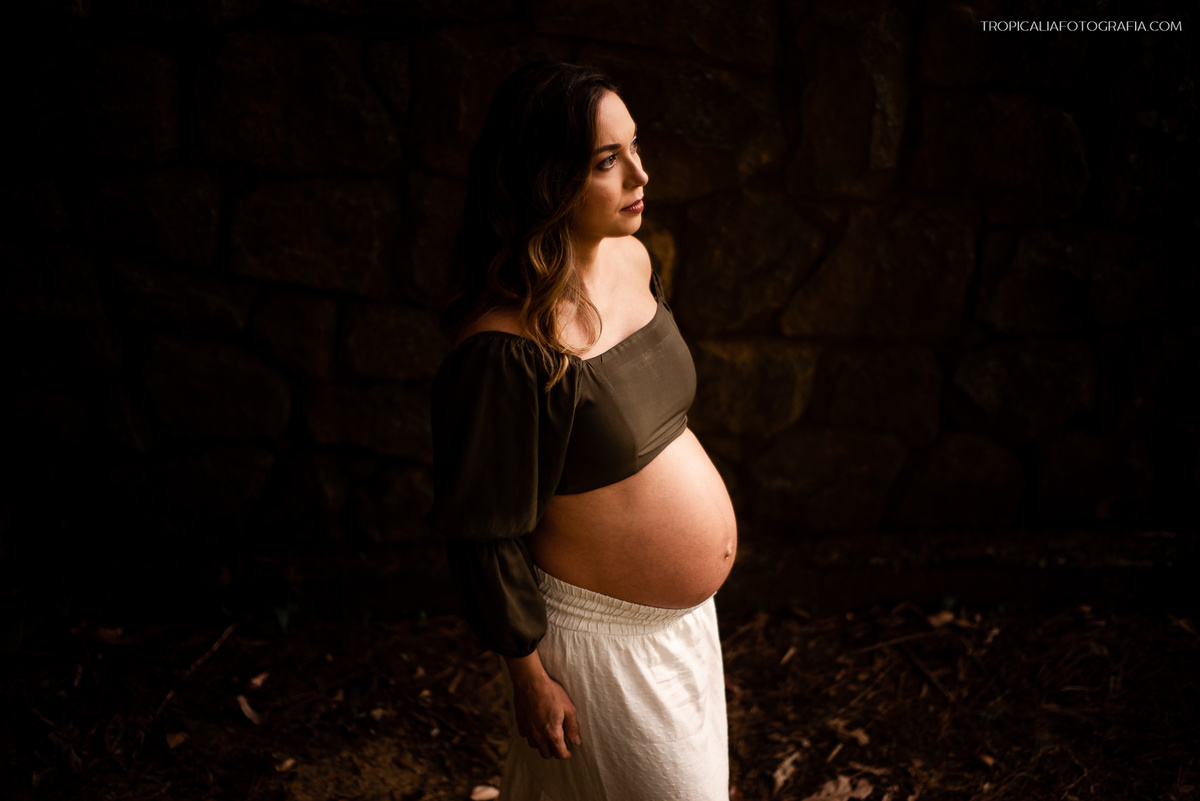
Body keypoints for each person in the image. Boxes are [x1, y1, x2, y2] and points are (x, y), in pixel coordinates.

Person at [427, 61, 738, 801]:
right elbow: (483, 531)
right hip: (600, 647)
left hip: (689, 625)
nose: (640, 174)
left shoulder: (633, 258)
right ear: (547, 178)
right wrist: (527, 675)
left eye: (635, 147)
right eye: (607, 161)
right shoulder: (504, 348)